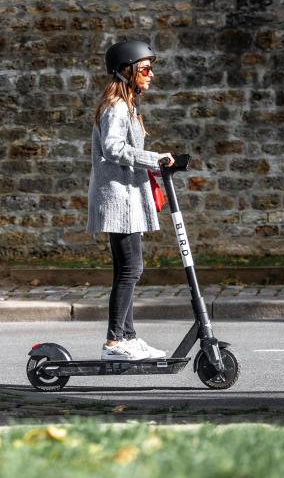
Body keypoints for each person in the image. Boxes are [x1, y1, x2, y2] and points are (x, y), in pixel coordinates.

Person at [87, 40, 175, 361]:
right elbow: (112, 148)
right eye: (146, 69)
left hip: (126, 198)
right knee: (131, 269)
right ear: (128, 70)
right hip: (118, 200)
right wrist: (155, 159)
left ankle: (129, 337)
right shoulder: (117, 106)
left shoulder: (128, 105)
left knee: (127, 269)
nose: (151, 74)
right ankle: (114, 342)